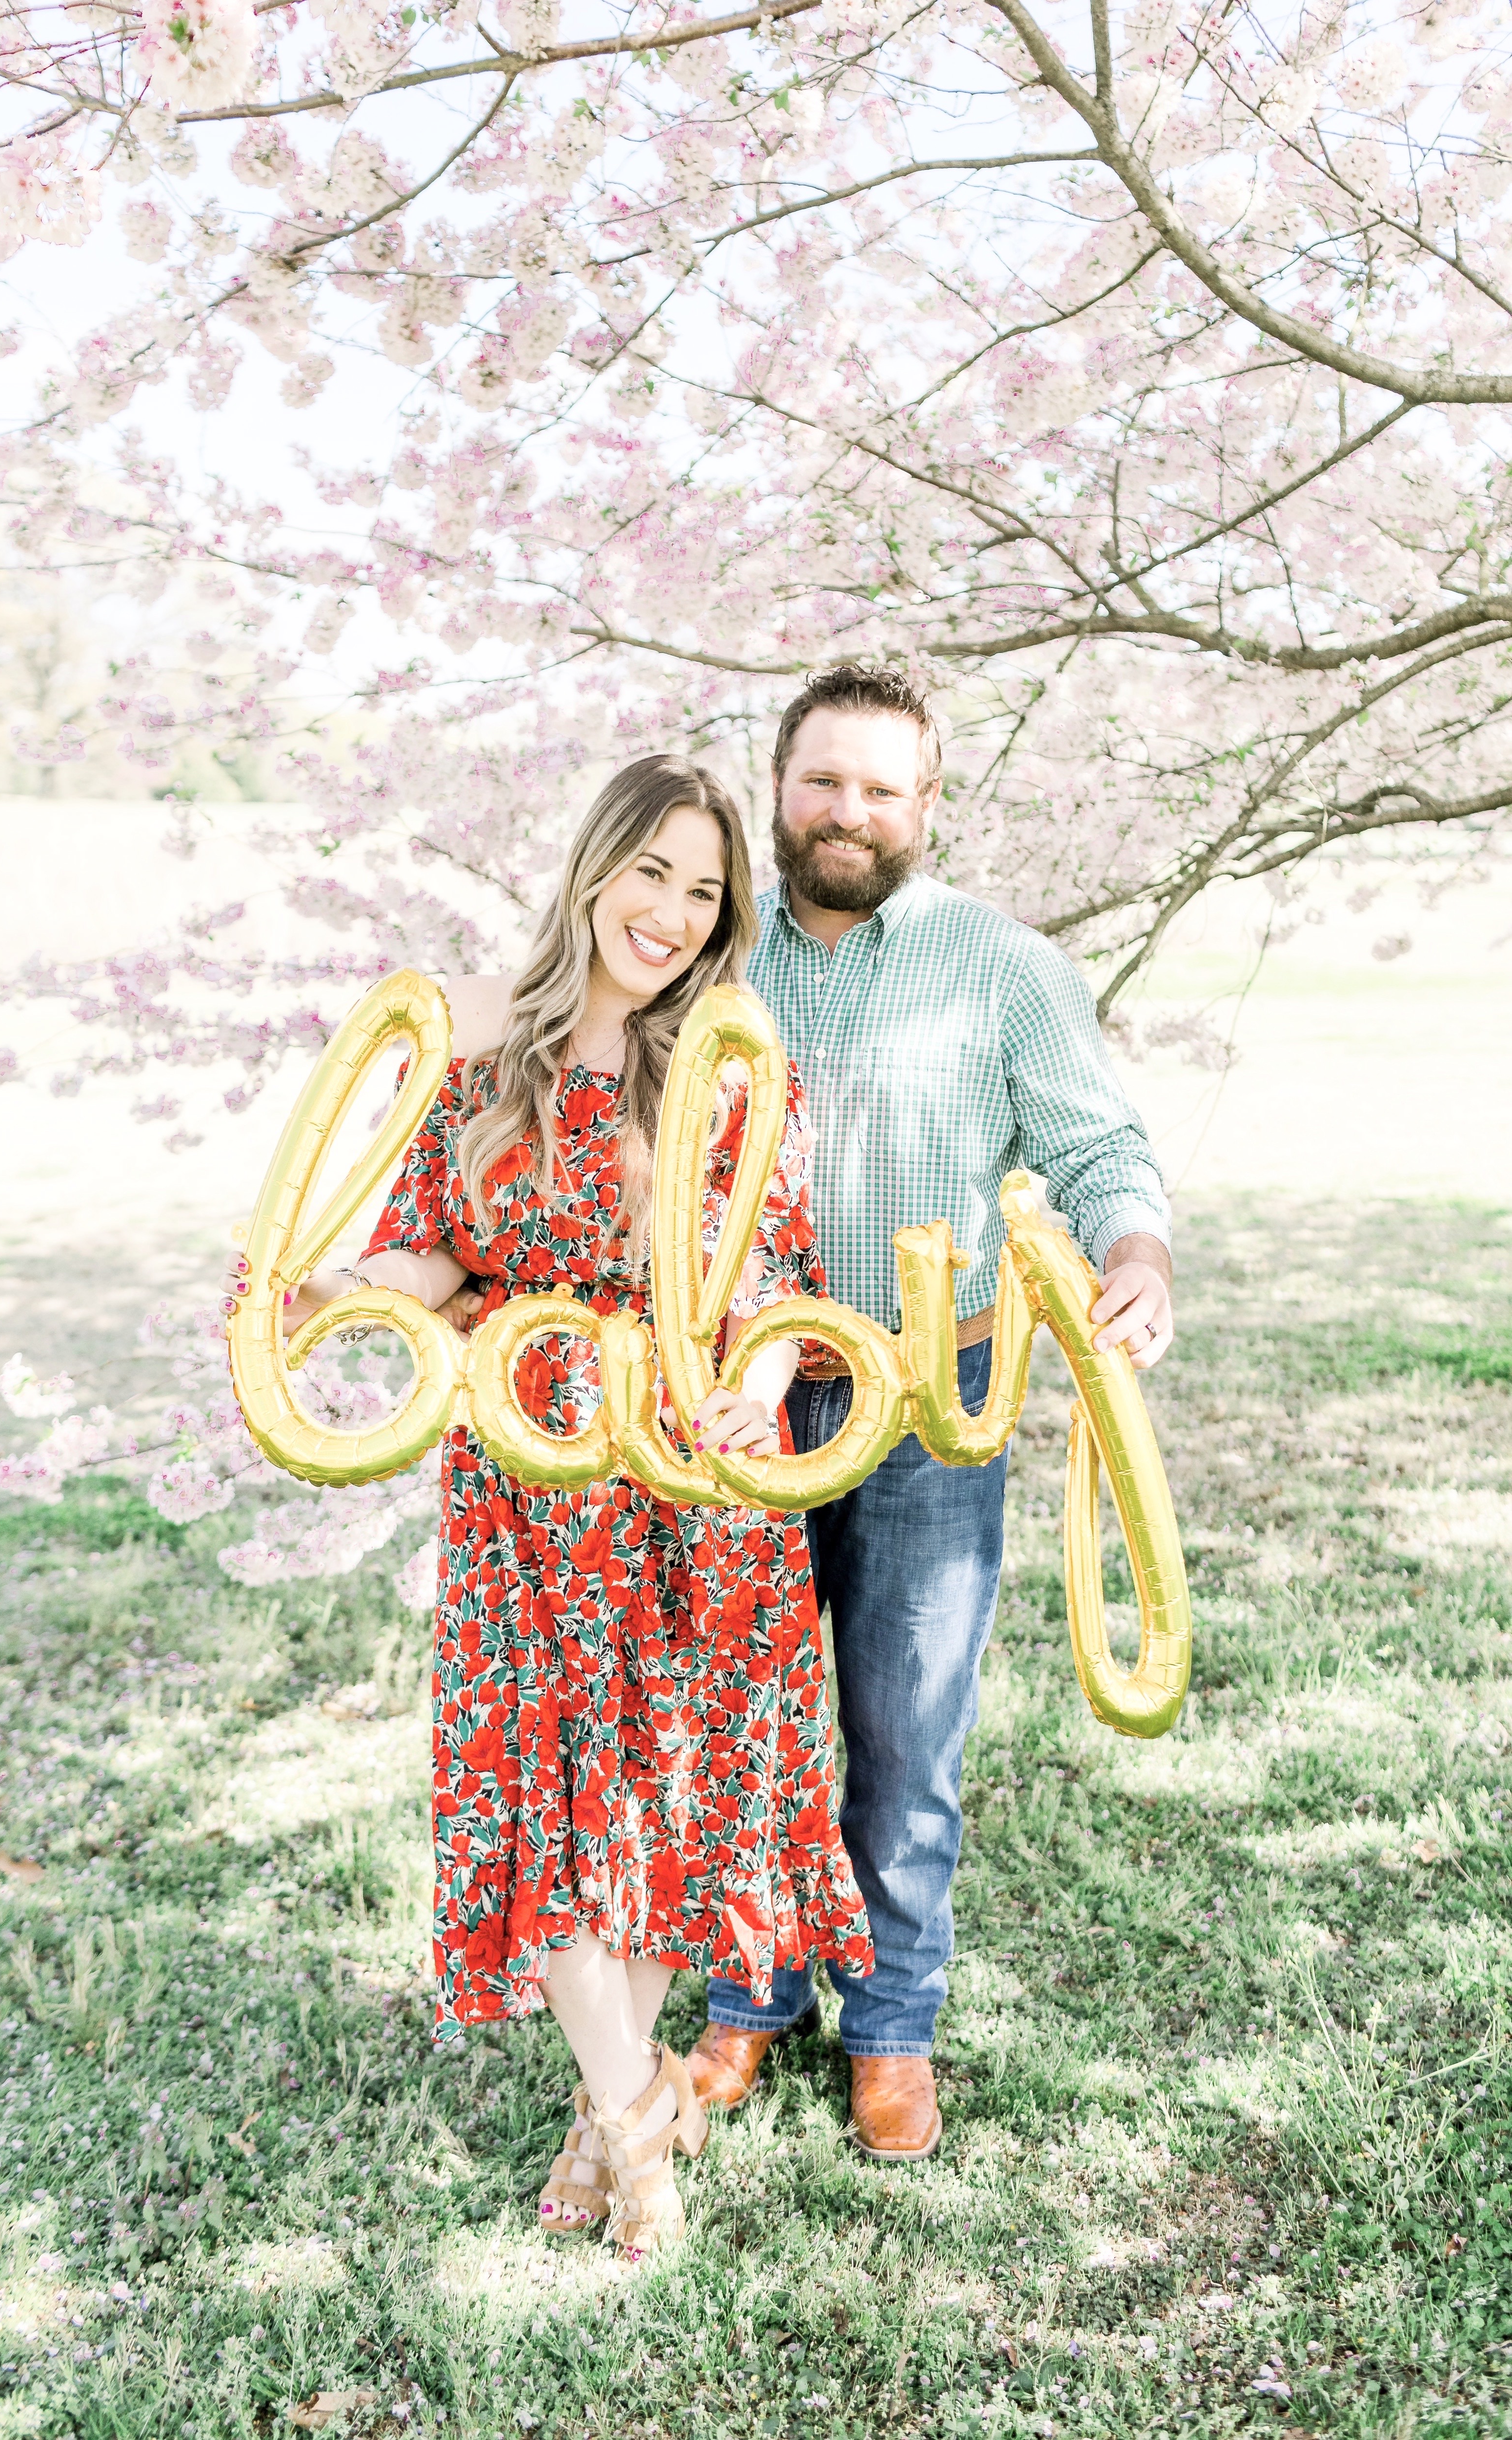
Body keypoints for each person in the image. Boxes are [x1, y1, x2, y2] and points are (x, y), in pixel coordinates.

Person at [266, 757, 872, 2260]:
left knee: (669, 1807)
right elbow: (425, 1253)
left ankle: (614, 2118)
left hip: (686, 1476)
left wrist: (768, 1375)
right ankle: (638, 2120)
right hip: (526, 1481)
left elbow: (783, 1277)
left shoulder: (730, 1069)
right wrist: (342, 1292)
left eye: (703, 890)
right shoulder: (482, 1062)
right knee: (531, 1803)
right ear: (594, 867)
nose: (669, 914)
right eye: (649, 872)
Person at [683, 665, 1175, 2161]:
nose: (851, 812)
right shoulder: (702, 956)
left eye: (883, 788)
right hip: (738, 1404)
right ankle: (746, 1998)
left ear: (927, 803)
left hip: (928, 1396)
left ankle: (892, 2031)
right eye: (826, 781)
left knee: (906, 1729)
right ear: (779, 786)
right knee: (742, 1721)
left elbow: (1098, 1145)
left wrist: (1139, 1251)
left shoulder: (999, 964)